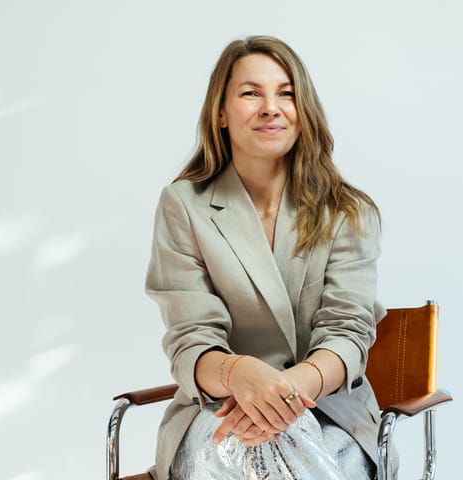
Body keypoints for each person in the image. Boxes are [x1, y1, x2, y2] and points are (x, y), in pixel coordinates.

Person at [146, 35, 390, 480]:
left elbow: (347, 332)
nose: (270, 107)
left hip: (327, 412)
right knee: (233, 452)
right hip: (217, 412)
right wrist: (240, 375)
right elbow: (190, 337)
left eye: (286, 93)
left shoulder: (348, 212)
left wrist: (277, 395)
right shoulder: (184, 205)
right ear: (220, 112)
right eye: (250, 93)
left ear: (303, 110)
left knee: (284, 446)